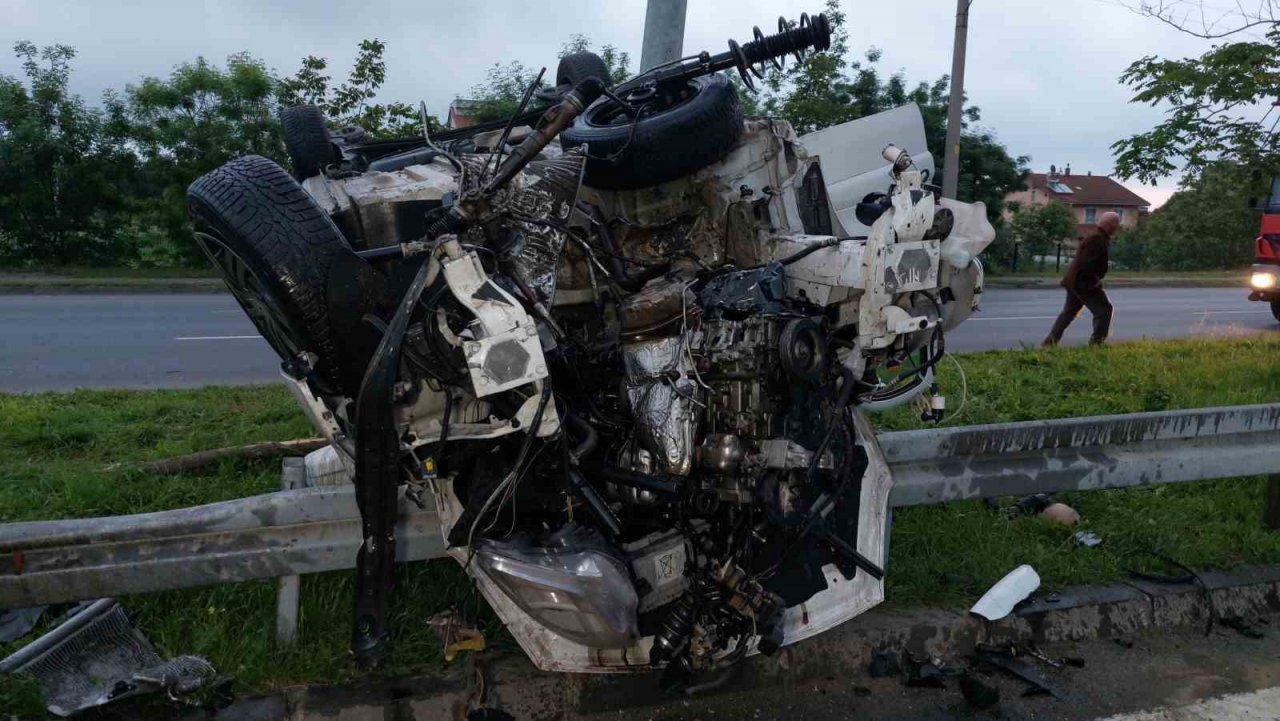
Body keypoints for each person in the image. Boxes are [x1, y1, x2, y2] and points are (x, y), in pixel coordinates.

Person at [1043, 210, 1120, 346]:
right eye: (1116, 223)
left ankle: (1049, 342)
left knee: (1069, 312)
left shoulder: (1098, 237)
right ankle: (1096, 343)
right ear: (1110, 224)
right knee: (1104, 310)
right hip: (1083, 283)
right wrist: (1094, 281)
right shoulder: (1097, 239)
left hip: (1074, 281)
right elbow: (1086, 264)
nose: (1117, 227)